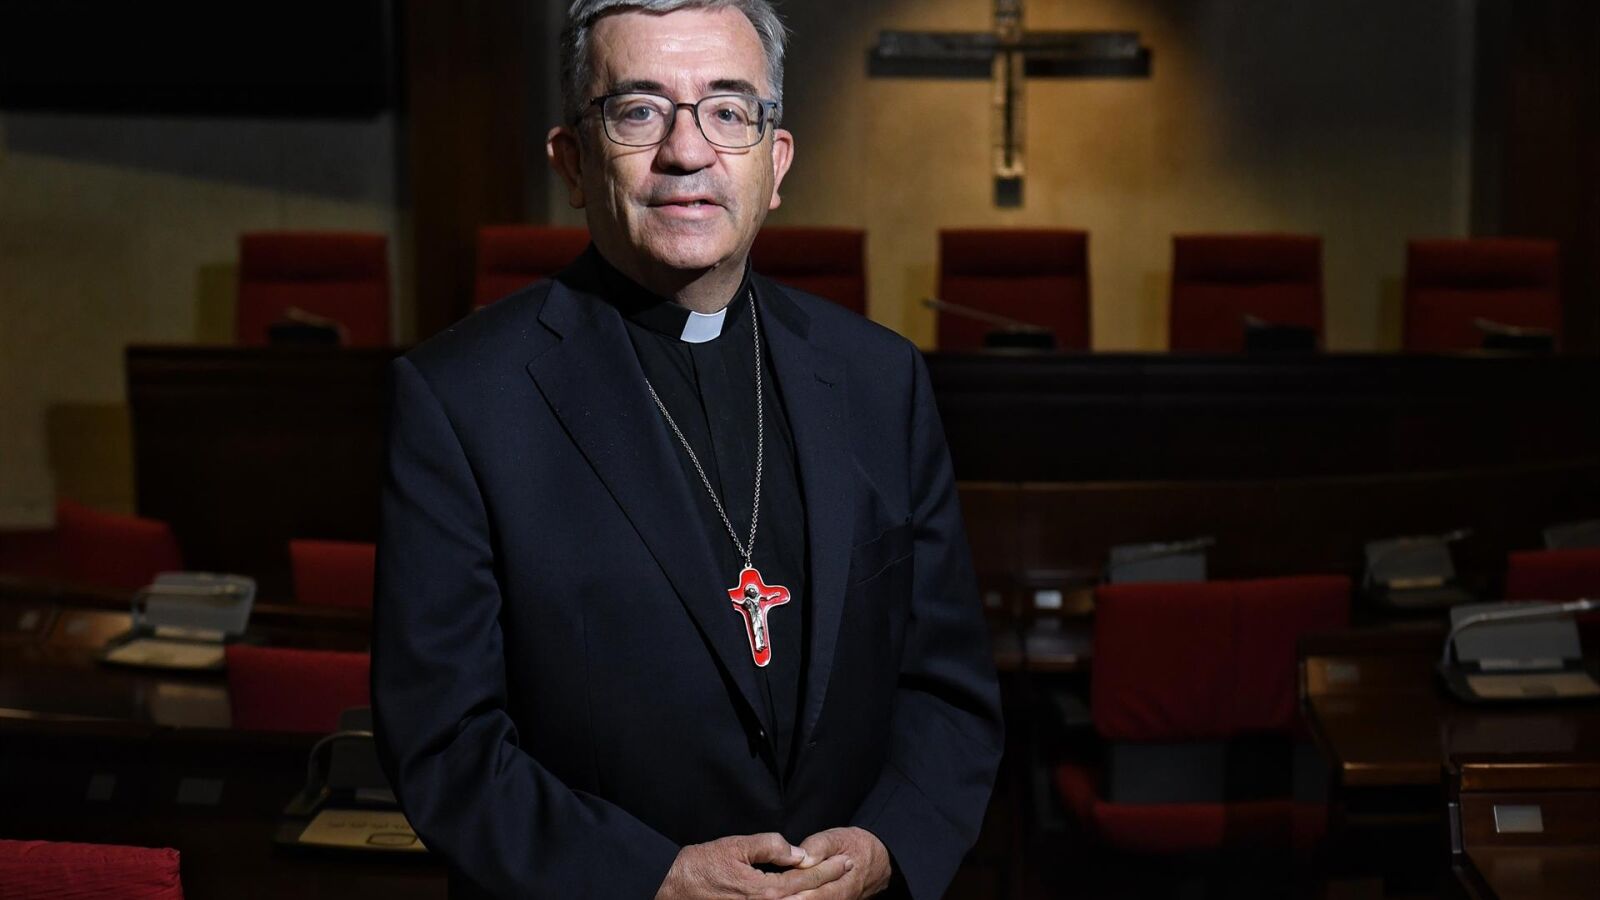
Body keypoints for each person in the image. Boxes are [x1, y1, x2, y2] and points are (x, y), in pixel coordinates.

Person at [371, 1, 1003, 897]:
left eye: (729, 109)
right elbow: (443, 744)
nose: (687, 151)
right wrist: (654, 878)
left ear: (775, 162)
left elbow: (950, 689)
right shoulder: (464, 401)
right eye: (638, 111)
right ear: (572, 162)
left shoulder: (879, 380)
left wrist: (886, 844)